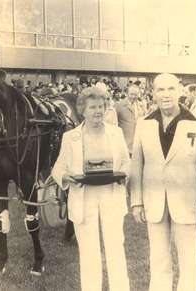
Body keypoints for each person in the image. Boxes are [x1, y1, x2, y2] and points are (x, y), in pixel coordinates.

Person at [52, 86, 130, 291]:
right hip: (83, 198)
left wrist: (123, 175)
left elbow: (126, 163)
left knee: (115, 249)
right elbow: (58, 168)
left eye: (101, 107)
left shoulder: (116, 133)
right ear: (82, 110)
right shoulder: (71, 137)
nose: (97, 111)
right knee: (88, 252)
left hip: (111, 196)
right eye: (93, 107)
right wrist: (66, 177)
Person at [130, 73, 196, 291]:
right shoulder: (144, 124)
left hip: (186, 202)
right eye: (160, 90)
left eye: (170, 89)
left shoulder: (195, 124)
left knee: (189, 257)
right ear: (153, 94)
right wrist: (137, 202)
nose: (166, 95)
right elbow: (136, 166)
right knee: (158, 256)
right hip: (154, 201)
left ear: (179, 91)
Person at [116, 84, 146, 154]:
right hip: (125, 144)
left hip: (138, 144)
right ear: (127, 94)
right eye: (131, 94)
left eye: (135, 94)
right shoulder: (119, 105)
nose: (133, 97)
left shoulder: (141, 106)